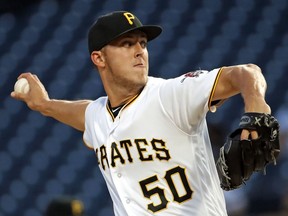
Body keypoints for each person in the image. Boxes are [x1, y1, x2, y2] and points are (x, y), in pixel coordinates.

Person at [11, 11, 272, 216]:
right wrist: (44, 105)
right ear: (99, 59)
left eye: (143, 43)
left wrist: (256, 104)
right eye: (126, 44)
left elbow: (246, 73)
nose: (139, 51)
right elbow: (84, 113)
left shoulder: (170, 95)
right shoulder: (99, 115)